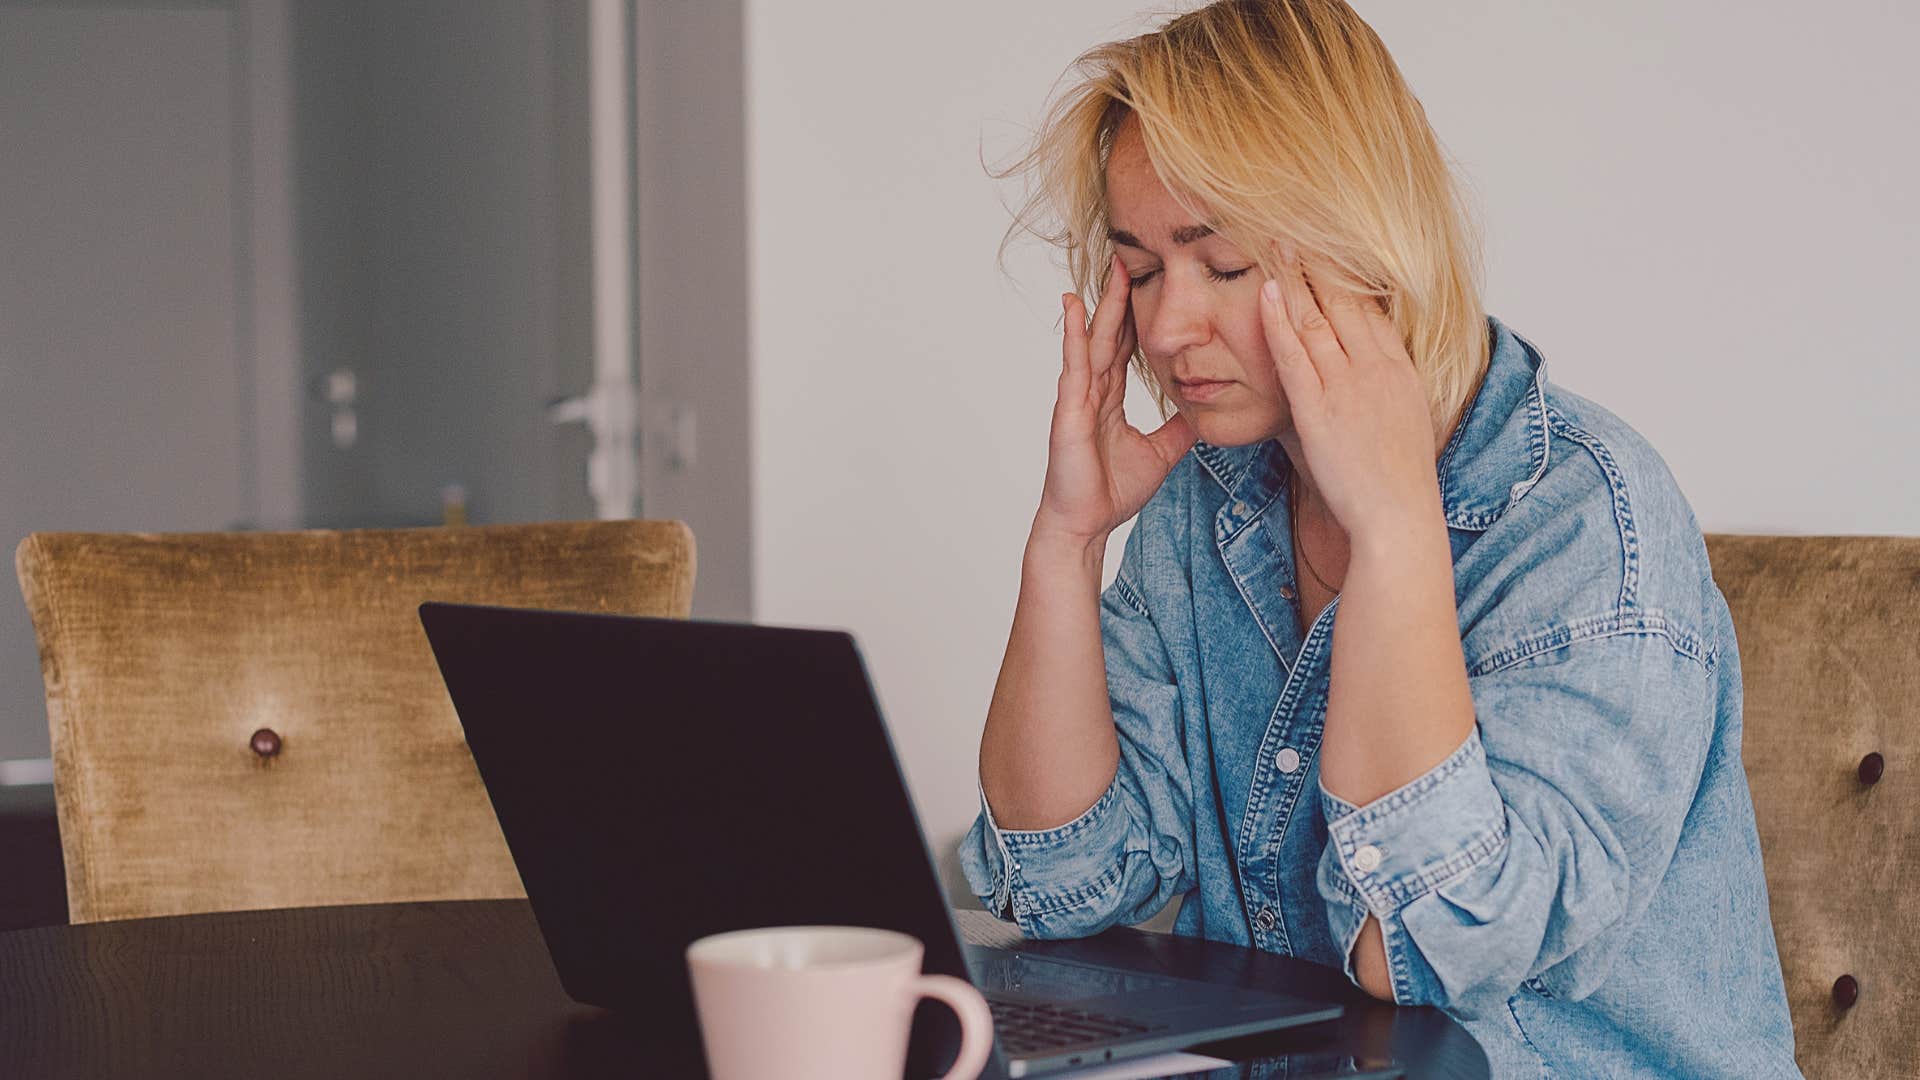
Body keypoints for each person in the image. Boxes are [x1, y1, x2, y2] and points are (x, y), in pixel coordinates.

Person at [957, 2, 1800, 1076]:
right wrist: (1065, 542)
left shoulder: (1591, 522)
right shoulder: (1202, 495)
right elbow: (1063, 883)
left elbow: (1426, 957)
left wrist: (1397, 527)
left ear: (1365, 244)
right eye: (1141, 267)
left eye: (1219, 265)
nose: (1167, 331)